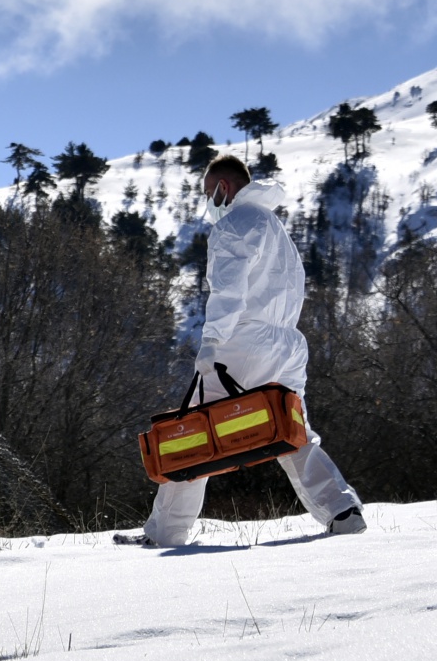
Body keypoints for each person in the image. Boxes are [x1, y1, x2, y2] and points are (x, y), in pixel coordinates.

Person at [122, 156, 365, 547]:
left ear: (224, 188)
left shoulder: (233, 224)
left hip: (243, 341)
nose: (209, 203)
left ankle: (165, 533)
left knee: (194, 432)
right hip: (287, 343)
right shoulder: (274, 226)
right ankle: (342, 511)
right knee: (293, 432)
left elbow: (228, 290)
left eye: (208, 194)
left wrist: (212, 341)